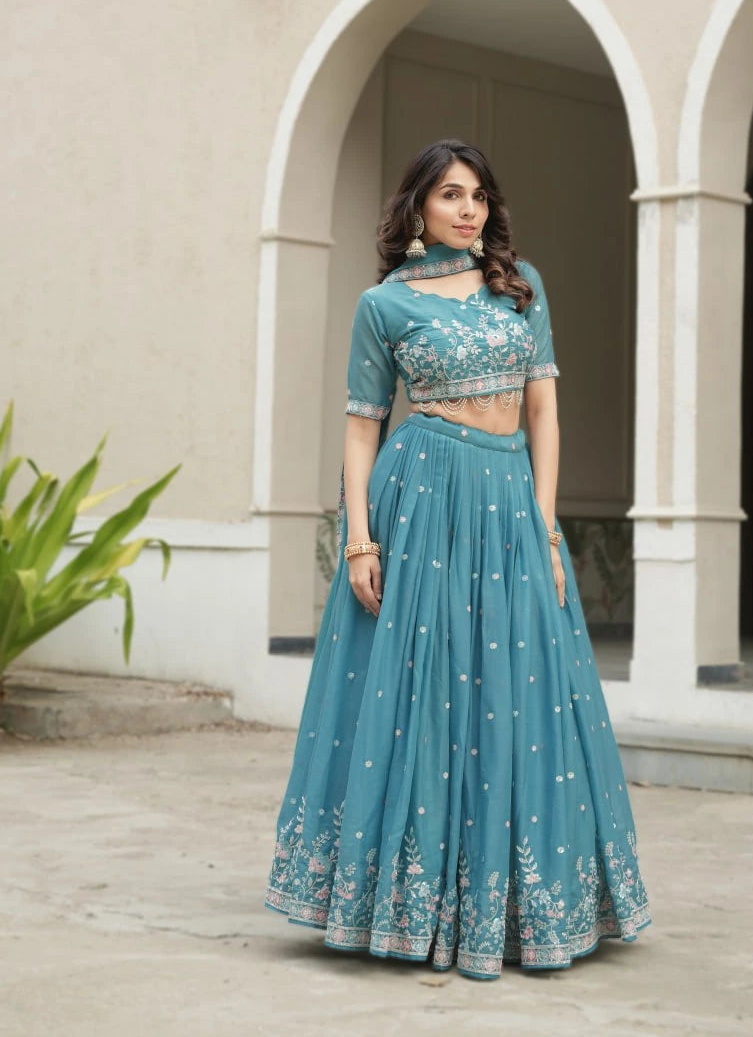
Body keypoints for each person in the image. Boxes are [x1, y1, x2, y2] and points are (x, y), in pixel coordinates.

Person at [264, 138, 651, 980]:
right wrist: (360, 538)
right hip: (425, 498)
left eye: (477, 194)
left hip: (508, 500)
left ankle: (513, 905)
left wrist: (545, 524)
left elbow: (544, 411)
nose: (467, 208)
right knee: (421, 695)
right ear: (416, 209)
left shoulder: (521, 286)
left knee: (520, 691)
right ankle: (404, 902)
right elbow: (364, 422)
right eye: (448, 194)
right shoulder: (384, 306)